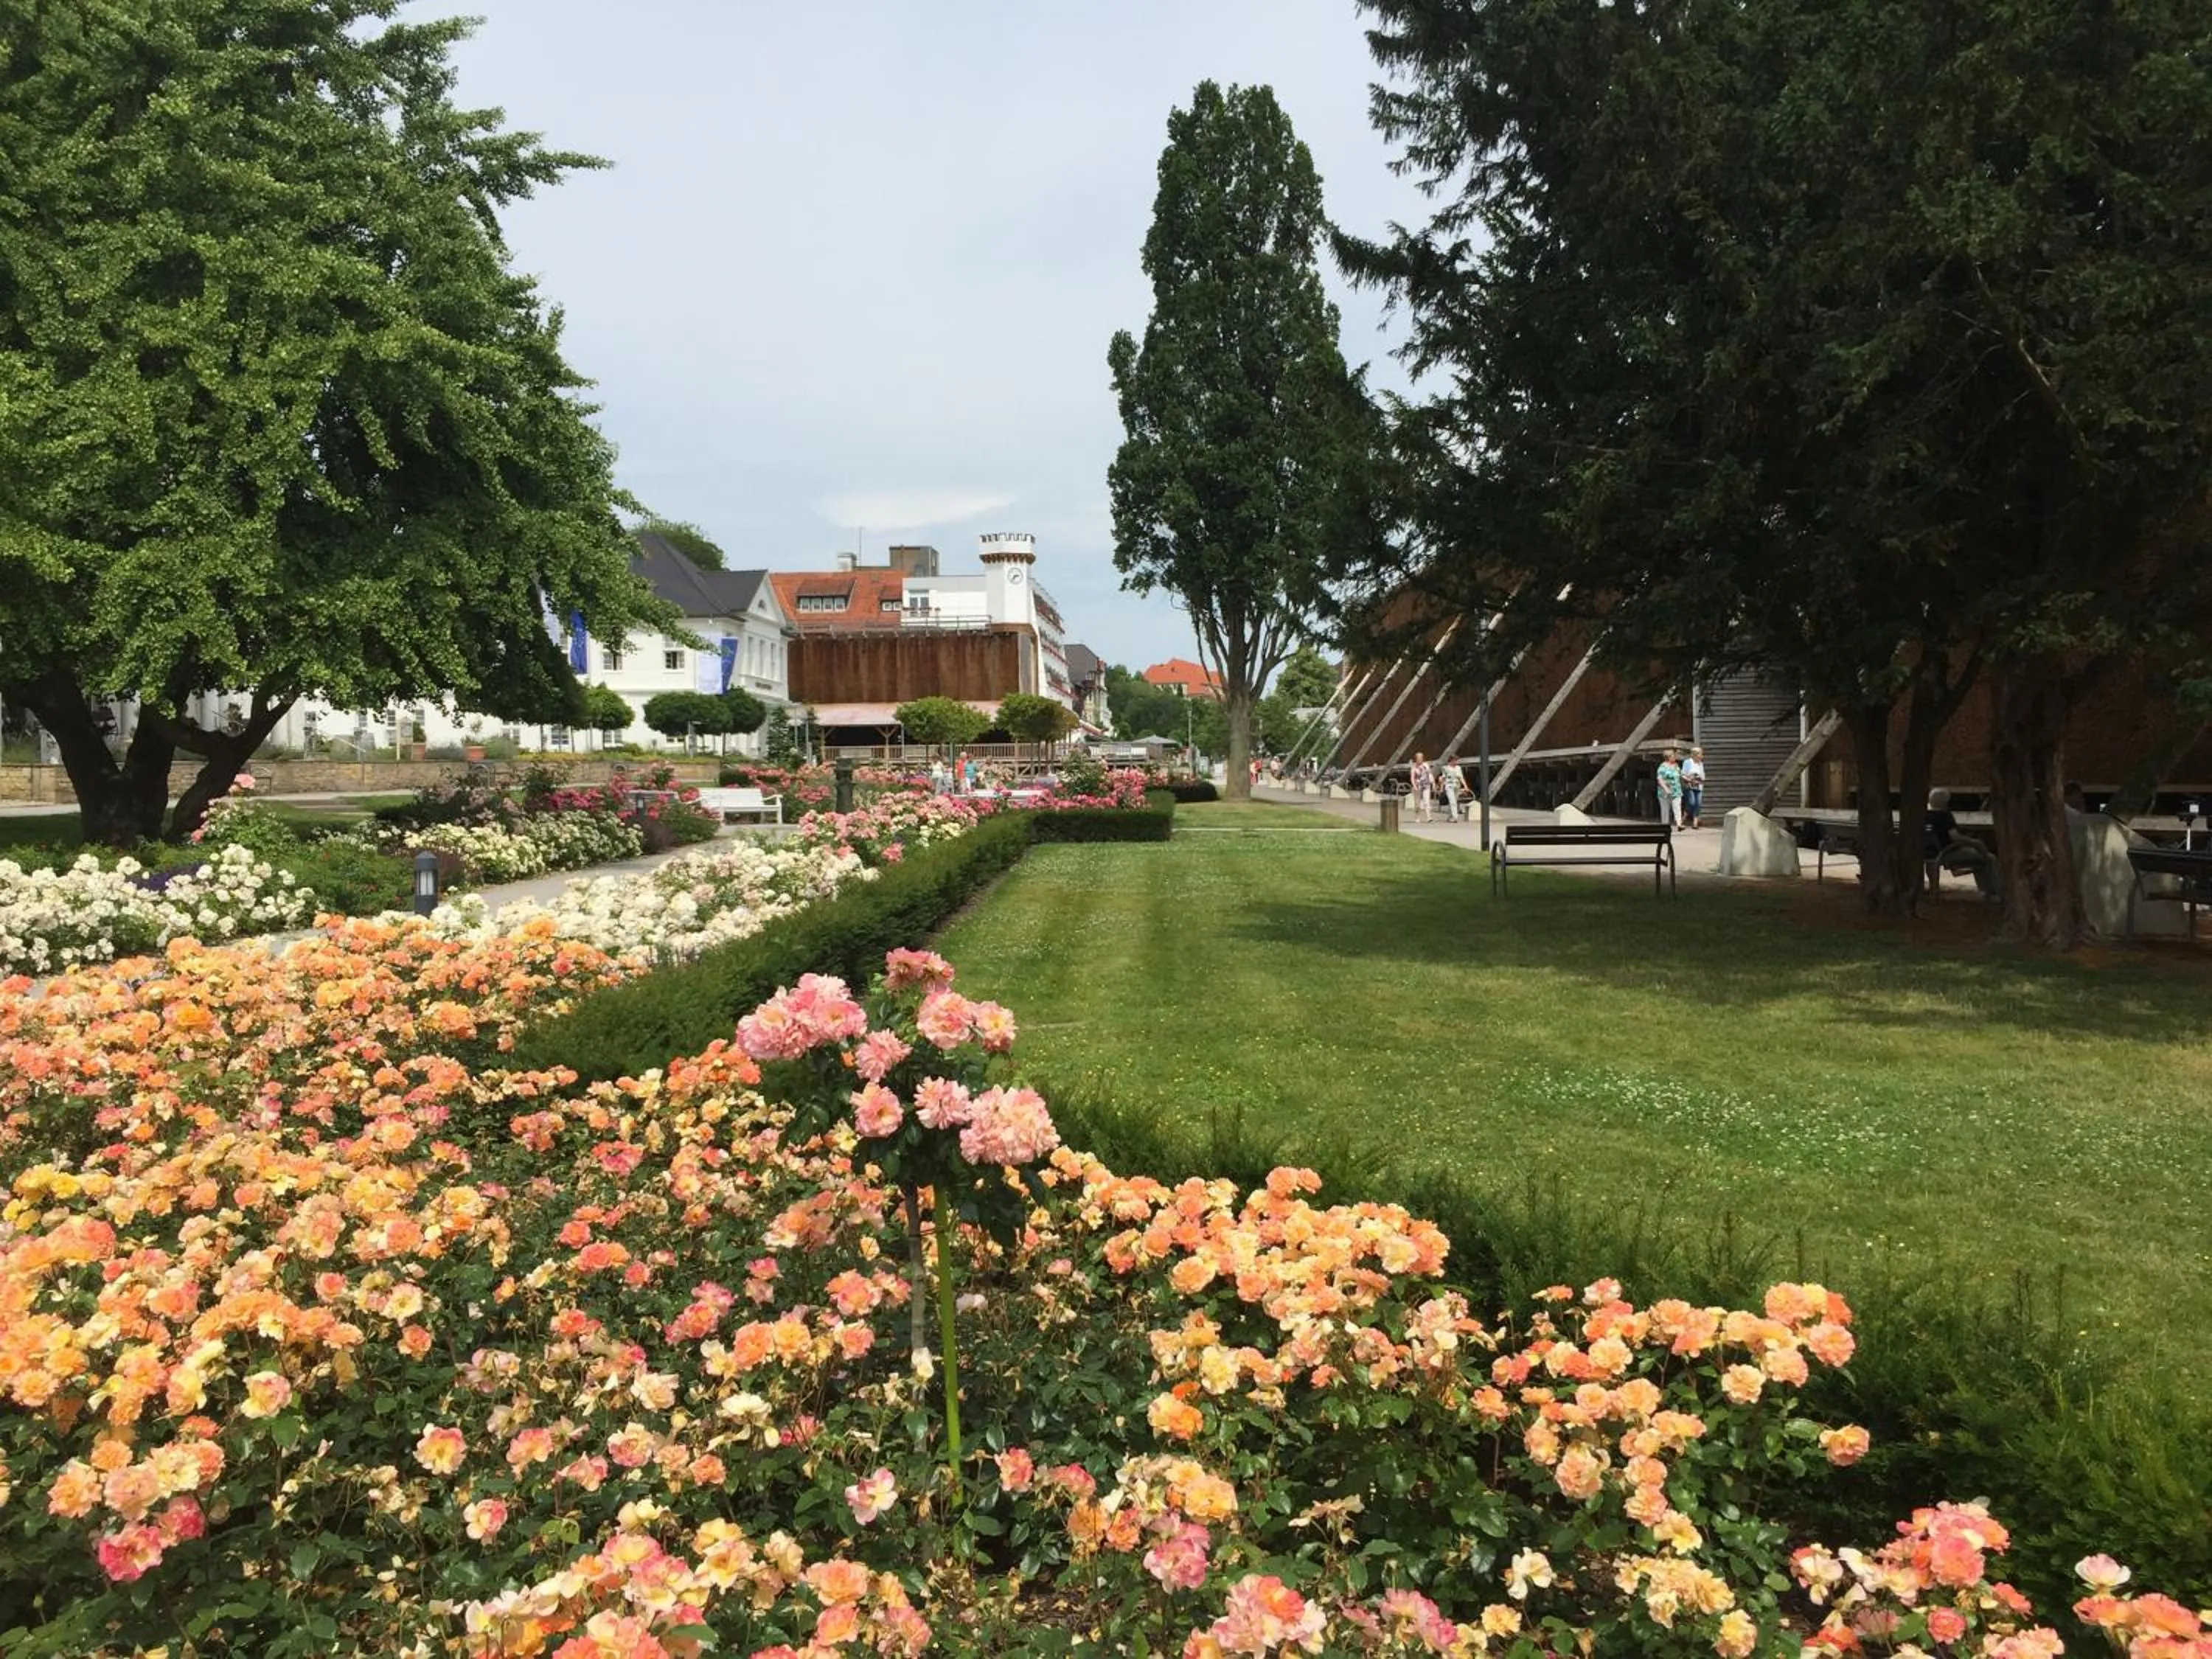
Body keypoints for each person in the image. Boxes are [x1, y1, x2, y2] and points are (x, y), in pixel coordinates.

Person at [1925, 788, 2000, 900]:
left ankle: (1986, 890)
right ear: (1946, 802)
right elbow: (1955, 837)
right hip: (1948, 852)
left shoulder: (1925, 815)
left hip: (1931, 852)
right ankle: (1993, 892)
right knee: (1989, 858)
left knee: (1979, 856)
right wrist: (1975, 842)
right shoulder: (1945, 816)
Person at [1655, 749, 1684, 830]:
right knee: (1665, 810)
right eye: (1673, 756)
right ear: (1668, 757)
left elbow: (1681, 775)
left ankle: (1679, 824)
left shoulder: (1676, 766)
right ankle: (1665, 826)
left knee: (1677, 807)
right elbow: (1660, 779)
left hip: (1676, 791)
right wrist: (1666, 789)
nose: (1675, 757)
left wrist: (1689, 780)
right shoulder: (1662, 767)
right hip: (1664, 793)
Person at [1680, 746, 1706, 830]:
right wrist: (1690, 780)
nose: (1702, 756)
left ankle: (1695, 823)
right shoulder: (1688, 762)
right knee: (1691, 803)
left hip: (1699, 786)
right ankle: (1683, 819)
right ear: (1696, 755)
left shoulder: (1701, 763)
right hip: (1690, 785)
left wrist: (1701, 779)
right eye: (1701, 754)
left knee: (1698, 804)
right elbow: (1683, 774)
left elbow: (1703, 775)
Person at [1439, 756, 1468, 823]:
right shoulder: (1445, 768)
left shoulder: (1458, 768)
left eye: (1457, 760)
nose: (1456, 762)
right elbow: (1443, 778)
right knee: (1453, 802)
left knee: (1453, 802)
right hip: (1449, 786)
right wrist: (1441, 787)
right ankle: (1455, 817)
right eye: (1455, 760)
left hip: (1457, 786)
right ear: (1451, 761)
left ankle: (1450, 817)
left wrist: (1466, 786)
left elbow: (1461, 777)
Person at [1409, 752, 1436, 823]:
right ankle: (1417, 817)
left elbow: (1429, 774)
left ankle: (1429, 817)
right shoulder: (1414, 767)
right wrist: (1414, 786)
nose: (1420, 760)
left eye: (1421, 758)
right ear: (1416, 759)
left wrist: (1433, 783)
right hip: (1418, 787)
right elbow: (1412, 778)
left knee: (1427, 802)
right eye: (1418, 758)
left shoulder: (1426, 765)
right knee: (1417, 804)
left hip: (1426, 785)